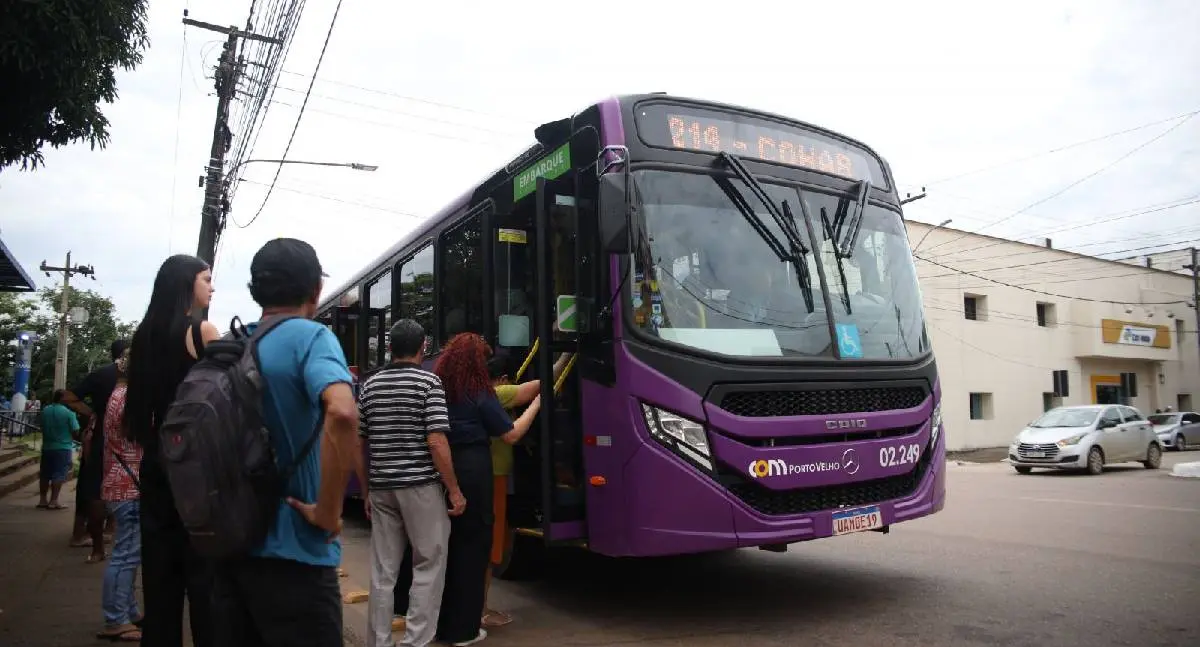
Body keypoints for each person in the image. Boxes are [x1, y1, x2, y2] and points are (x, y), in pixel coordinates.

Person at [208, 238, 359, 647]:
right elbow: (343, 412)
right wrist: (329, 511)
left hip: (229, 553)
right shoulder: (311, 338)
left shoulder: (232, 347)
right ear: (316, 290)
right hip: (297, 559)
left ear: (256, 291)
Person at [124, 254, 220, 647]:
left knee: (160, 579)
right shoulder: (203, 332)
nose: (211, 287)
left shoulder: (143, 335)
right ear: (187, 284)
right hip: (196, 467)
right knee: (206, 581)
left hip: (156, 463)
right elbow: (224, 400)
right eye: (206, 279)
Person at [431, 333, 542, 646]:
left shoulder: (441, 389)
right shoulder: (479, 392)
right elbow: (510, 434)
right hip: (474, 470)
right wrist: (537, 404)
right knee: (475, 546)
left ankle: (444, 622)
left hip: (446, 470)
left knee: (451, 548)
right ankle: (464, 628)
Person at [360, 318, 464, 647]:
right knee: (429, 563)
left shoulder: (370, 386)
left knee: (383, 570)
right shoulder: (428, 383)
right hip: (420, 487)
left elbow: (359, 441)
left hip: (381, 487)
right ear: (423, 347)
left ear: (390, 348)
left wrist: (367, 488)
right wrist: (454, 489)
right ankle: (416, 641)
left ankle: (379, 642)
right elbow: (436, 441)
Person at [480, 352, 570, 628]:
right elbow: (540, 387)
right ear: (504, 378)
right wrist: (566, 355)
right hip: (492, 479)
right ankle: (480, 611)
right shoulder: (497, 394)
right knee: (489, 550)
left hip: (484, 478)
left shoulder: (472, 394)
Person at [62, 338, 130, 562]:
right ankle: (117, 535)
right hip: (129, 440)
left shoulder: (100, 374)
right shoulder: (138, 376)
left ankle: (96, 546)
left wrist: (92, 412)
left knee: (93, 491)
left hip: (101, 436)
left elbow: (68, 396)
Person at [97, 347, 143, 642]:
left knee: (128, 553)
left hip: (120, 481)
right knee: (126, 555)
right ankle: (116, 619)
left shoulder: (116, 395)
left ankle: (127, 609)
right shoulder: (128, 399)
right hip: (129, 483)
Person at [36, 389, 79, 511]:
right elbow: (76, 430)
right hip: (63, 447)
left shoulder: (45, 411)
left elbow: (40, 426)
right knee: (58, 474)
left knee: (45, 474)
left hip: (47, 446)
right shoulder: (69, 413)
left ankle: (42, 499)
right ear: (62, 399)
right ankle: (54, 501)